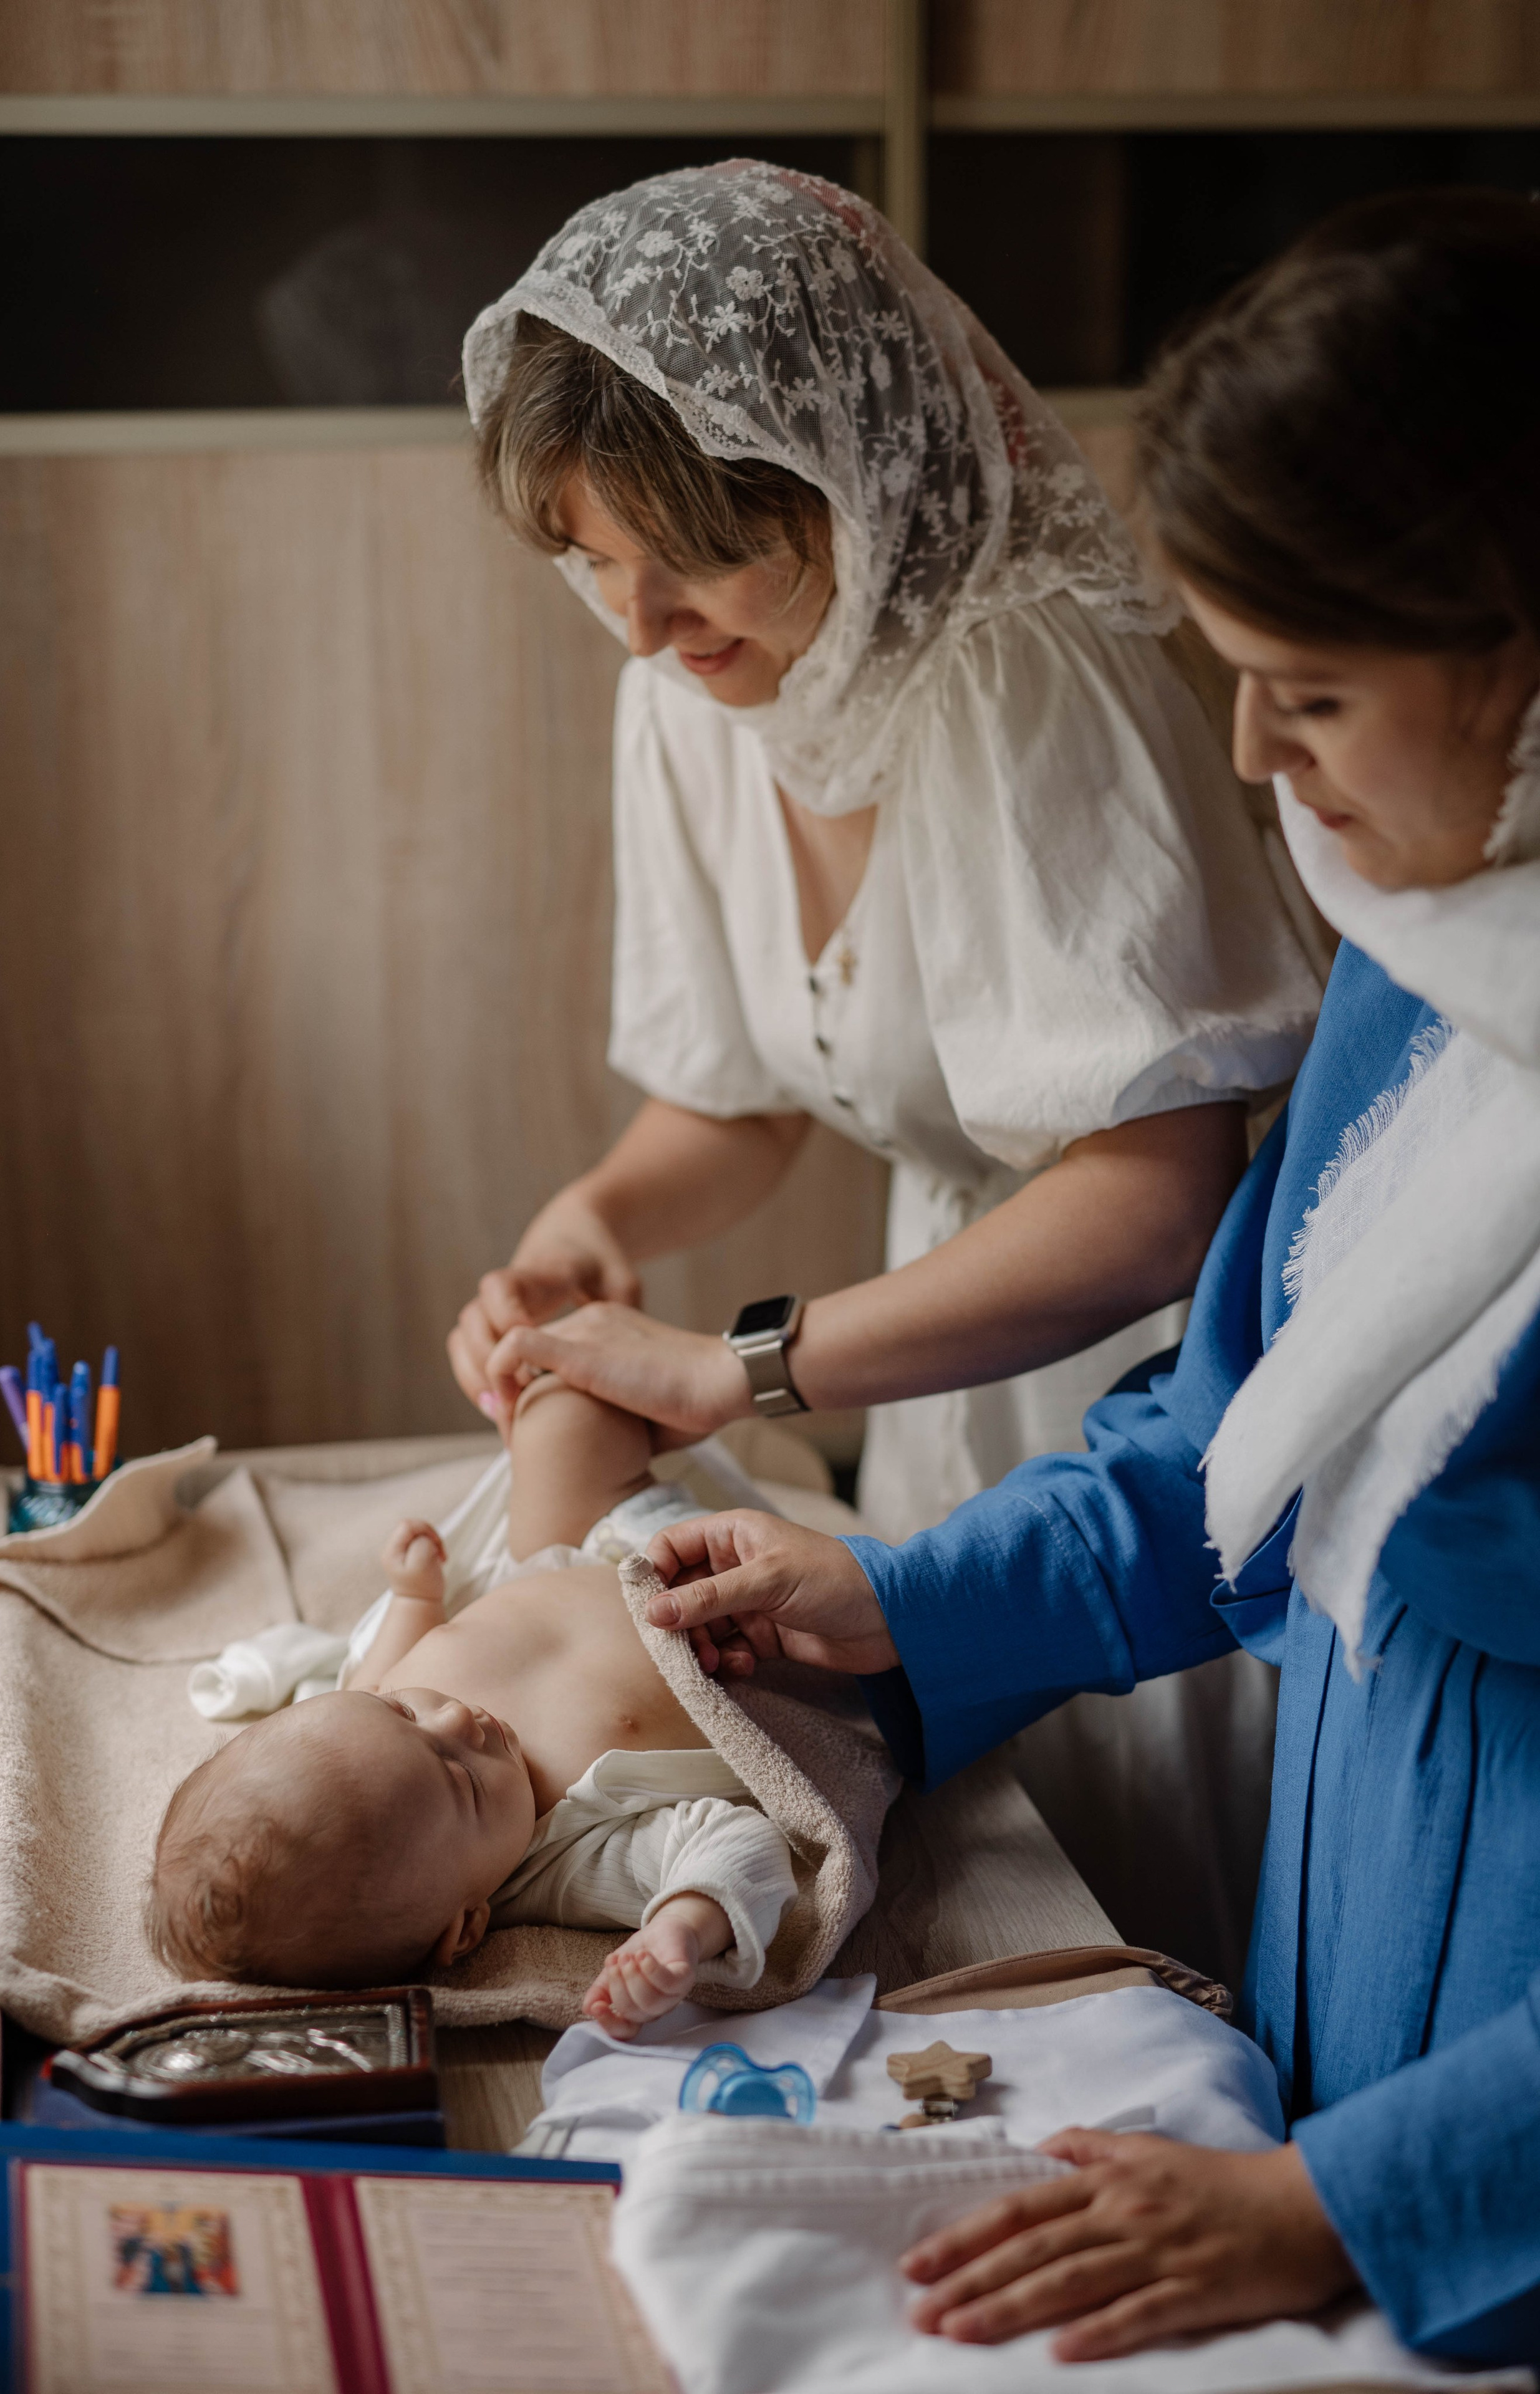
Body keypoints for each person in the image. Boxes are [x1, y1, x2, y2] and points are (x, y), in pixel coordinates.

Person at [638, 187, 1540, 2365]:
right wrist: (903, 1605)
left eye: (1309, 692)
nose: (1250, 759)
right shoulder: (1428, 967)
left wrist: (1351, 2200)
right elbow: (1224, 1439)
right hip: (1356, 1980)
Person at [451, 161, 1323, 1968]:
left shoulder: (1028, 678)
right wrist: (592, 1226)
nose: (640, 621)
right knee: (960, 1896)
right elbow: (744, 1096)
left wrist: (735, 1366)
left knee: (1138, 1912)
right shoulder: (687, 690)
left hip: (1145, 1392)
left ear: (843, 477)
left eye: (694, 552)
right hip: (932, 1379)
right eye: (591, 558)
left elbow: (1157, 1200)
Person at [146, 1376, 797, 2038]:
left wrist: (415, 1596)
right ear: (465, 1927)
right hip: (750, 1626)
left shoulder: (356, 1718)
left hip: (588, 1545)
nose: (458, 1719)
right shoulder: (559, 1865)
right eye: (460, 1779)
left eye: (402, 1712)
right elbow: (736, 1845)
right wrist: (681, 1925)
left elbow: (385, 1655)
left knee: (561, 1407)